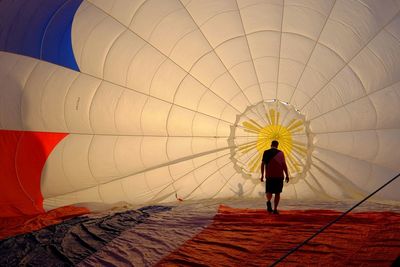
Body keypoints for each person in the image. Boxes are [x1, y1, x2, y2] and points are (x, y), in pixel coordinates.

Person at [260, 140, 289, 214]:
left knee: (269, 191)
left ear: (271, 145)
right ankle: (275, 209)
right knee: (277, 193)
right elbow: (284, 165)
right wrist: (287, 175)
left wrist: (262, 175)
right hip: (279, 176)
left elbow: (262, 164)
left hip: (269, 176)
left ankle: (269, 201)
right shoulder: (281, 153)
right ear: (277, 145)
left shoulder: (266, 152)